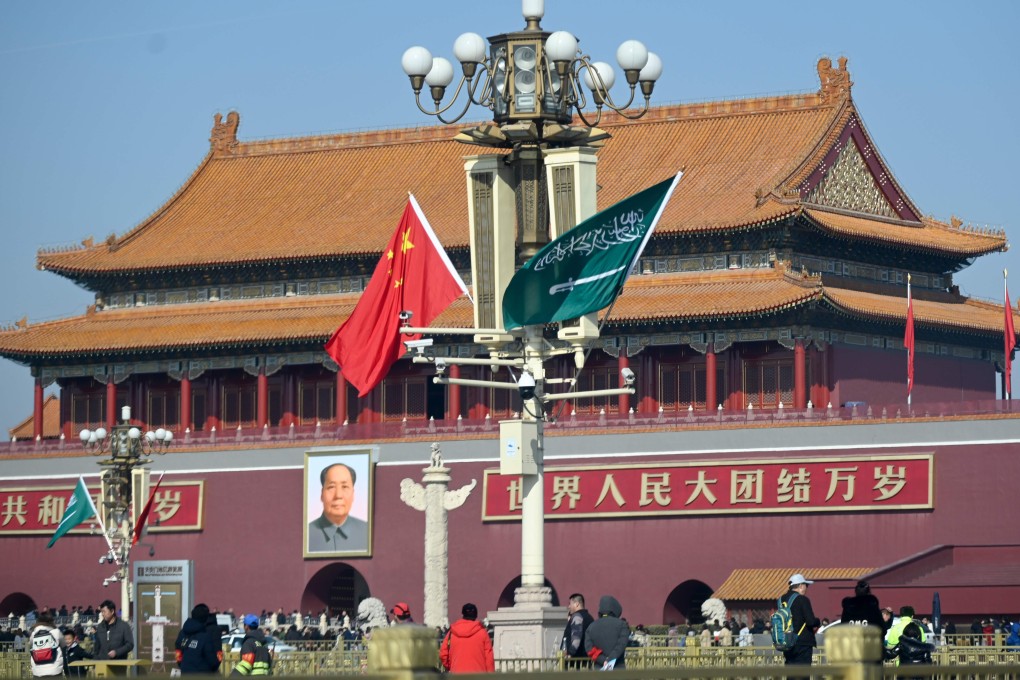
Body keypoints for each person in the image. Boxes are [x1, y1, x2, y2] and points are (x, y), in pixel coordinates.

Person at [307, 462, 368, 553]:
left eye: (345, 486)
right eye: (331, 487)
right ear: (322, 494)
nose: (338, 495)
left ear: (353, 494)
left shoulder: (368, 532)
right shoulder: (305, 535)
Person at [440, 603, 494, 673]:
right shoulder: (483, 633)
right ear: (476, 615)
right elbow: (489, 658)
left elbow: (443, 654)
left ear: (463, 614)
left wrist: (451, 666)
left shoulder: (451, 633)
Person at [780, 573, 821, 666]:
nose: (806, 588)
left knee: (791, 672)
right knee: (803, 673)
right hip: (802, 643)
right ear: (801, 586)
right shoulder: (802, 599)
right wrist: (818, 621)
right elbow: (811, 621)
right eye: (806, 585)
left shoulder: (781, 600)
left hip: (786, 642)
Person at [584, 595, 630, 670]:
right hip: (618, 668)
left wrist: (603, 660)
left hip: (599, 668)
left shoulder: (591, 627)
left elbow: (589, 649)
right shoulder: (622, 625)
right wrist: (610, 659)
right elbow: (621, 645)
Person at [175, 603, 222, 675]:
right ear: (206, 618)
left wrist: (183, 666)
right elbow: (213, 659)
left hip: (185, 673)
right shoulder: (206, 635)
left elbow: (178, 652)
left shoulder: (183, 632)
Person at [561, 593, 594, 661]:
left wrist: (569, 654)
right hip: (587, 660)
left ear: (577, 604)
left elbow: (576, 639)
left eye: (570, 603)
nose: (569, 606)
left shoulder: (577, 616)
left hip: (575, 662)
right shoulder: (590, 618)